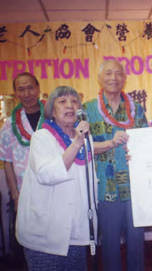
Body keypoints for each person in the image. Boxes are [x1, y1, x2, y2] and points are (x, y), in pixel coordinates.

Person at [16, 86, 97, 270]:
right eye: (62, 102)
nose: (70, 105)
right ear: (52, 110)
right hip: (45, 235)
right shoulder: (41, 137)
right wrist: (77, 143)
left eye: (74, 101)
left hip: (76, 233)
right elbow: (47, 174)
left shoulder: (85, 138)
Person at [83, 59, 148, 271]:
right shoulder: (88, 110)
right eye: (108, 73)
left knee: (137, 243)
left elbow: (146, 142)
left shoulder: (136, 109)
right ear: (100, 78)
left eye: (118, 73)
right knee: (109, 245)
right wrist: (110, 143)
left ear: (125, 78)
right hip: (105, 187)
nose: (114, 78)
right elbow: (84, 148)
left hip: (134, 186)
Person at [0, 72, 44, 211]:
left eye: (30, 88)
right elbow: (7, 162)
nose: (26, 94)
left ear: (38, 89)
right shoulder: (9, 124)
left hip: (53, 187)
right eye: (21, 89)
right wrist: (15, 195)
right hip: (24, 191)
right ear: (15, 93)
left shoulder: (52, 116)